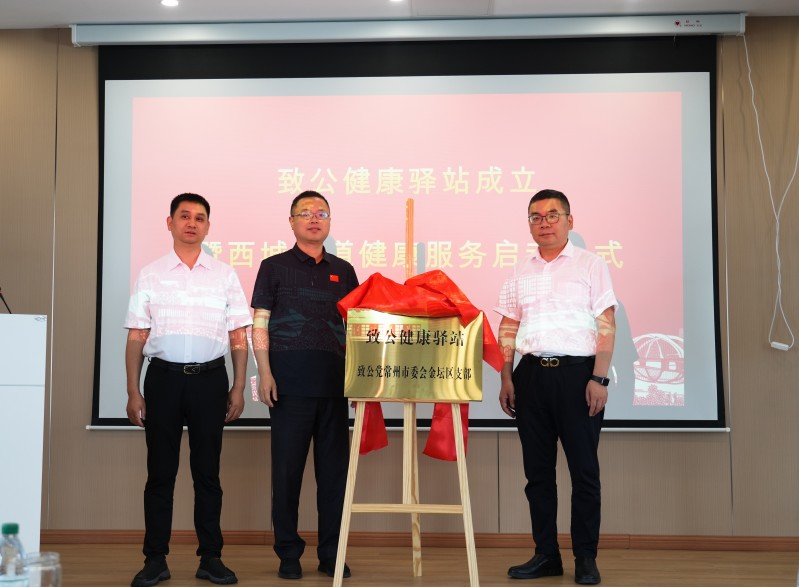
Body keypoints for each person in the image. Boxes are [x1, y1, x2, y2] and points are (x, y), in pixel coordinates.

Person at [125, 193, 252, 587]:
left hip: (210, 381)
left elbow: (239, 336)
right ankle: (155, 559)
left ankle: (210, 558)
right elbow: (136, 336)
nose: (192, 223)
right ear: (170, 223)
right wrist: (133, 391)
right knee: (160, 474)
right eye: (184, 216)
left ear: (208, 227)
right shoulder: (150, 273)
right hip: (162, 380)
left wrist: (238, 387)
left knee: (207, 474)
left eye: (199, 218)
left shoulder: (225, 275)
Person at [495, 189, 616, 585]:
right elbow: (509, 325)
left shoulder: (590, 264)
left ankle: (586, 557)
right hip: (530, 376)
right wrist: (506, 375)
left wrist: (599, 377)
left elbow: (606, 322)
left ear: (569, 220)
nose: (544, 223)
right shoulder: (520, 271)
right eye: (536, 217)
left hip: (578, 377)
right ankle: (546, 554)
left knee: (584, 472)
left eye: (552, 215)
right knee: (538, 475)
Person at [251, 190, 359, 580]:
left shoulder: (344, 270)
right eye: (306, 213)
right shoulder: (273, 267)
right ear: (292, 221)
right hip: (288, 387)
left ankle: (332, 553)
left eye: (322, 213)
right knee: (287, 475)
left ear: (329, 222)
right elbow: (260, 322)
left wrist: (358, 382)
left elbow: (356, 329)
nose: (314, 219)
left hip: (334, 389)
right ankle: (288, 553)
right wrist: (264, 372)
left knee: (333, 479)